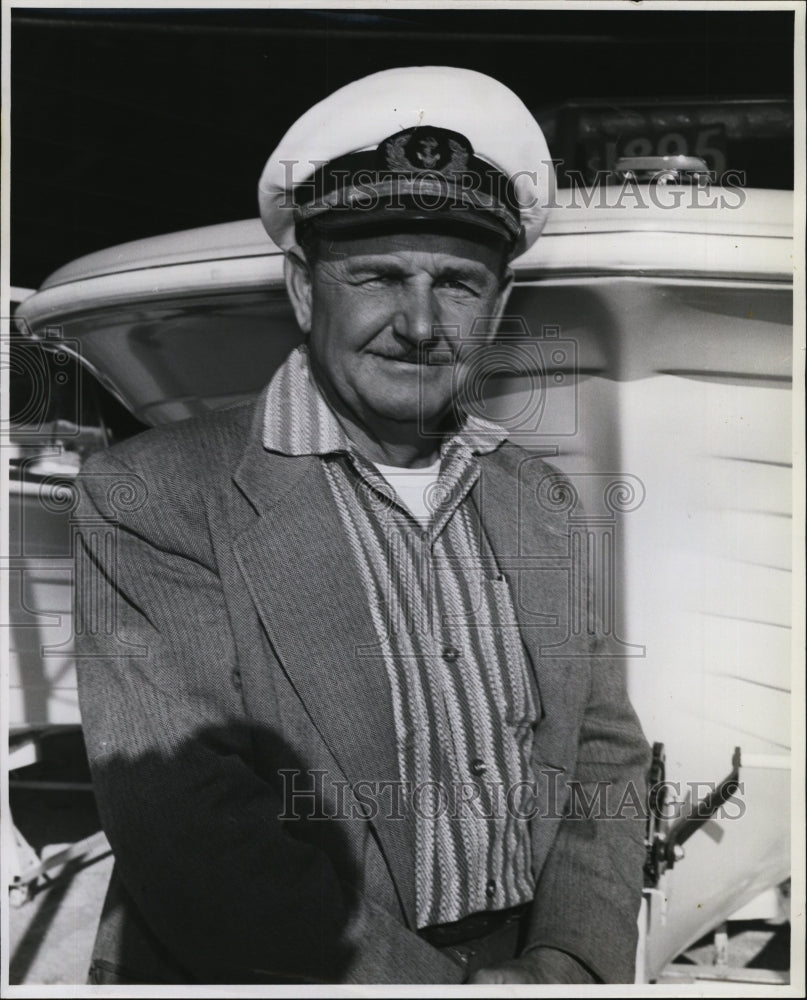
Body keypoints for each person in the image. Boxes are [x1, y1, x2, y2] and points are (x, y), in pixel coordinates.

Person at [75, 66, 651, 986]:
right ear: (305, 289)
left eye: (458, 285)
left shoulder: (538, 497)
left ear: (497, 307)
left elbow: (606, 754)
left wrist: (571, 961)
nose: (420, 323)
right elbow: (192, 826)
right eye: (378, 276)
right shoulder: (151, 494)